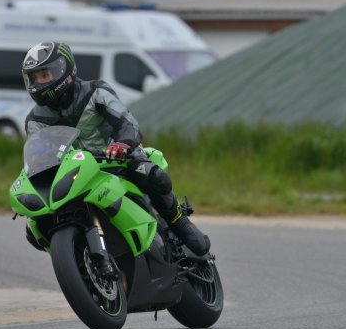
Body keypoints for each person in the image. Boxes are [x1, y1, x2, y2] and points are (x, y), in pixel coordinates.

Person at [22, 41, 210, 256]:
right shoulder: (35, 120)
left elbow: (127, 122)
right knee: (33, 224)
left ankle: (179, 222)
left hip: (116, 159)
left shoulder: (96, 92)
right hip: (76, 174)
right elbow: (40, 158)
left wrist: (123, 144)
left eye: (44, 75)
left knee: (152, 175)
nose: (38, 83)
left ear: (63, 69)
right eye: (34, 78)